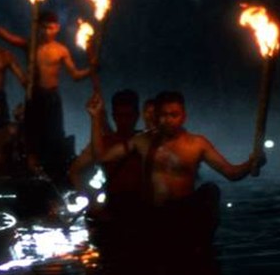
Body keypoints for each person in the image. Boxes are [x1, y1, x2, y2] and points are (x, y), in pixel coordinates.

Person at [96, 90, 266, 247]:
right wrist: (95, 117)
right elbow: (102, 156)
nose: (168, 120)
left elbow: (231, 173)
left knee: (210, 190)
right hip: (154, 214)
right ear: (157, 116)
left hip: (183, 213)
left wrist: (251, 163)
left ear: (183, 116)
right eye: (163, 115)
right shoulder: (143, 141)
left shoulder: (197, 144)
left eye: (174, 115)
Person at [26, 10, 95, 184]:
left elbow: (75, 75)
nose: (47, 31)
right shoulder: (32, 45)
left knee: (55, 135)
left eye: (50, 28)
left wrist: (91, 69)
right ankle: (33, 171)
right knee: (33, 135)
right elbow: (12, 39)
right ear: (39, 28)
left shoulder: (61, 50)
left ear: (57, 28)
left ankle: (55, 173)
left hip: (52, 97)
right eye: (44, 28)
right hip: (35, 95)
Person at [69, 88, 143, 215]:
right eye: (120, 116)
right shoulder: (105, 142)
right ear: (114, 116)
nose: (124, 121)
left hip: (140, 205)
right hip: (112, 205)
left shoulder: (145, 140)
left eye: (128, 116)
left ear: (136, 116)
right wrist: (88, 196)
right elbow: (75, 170)